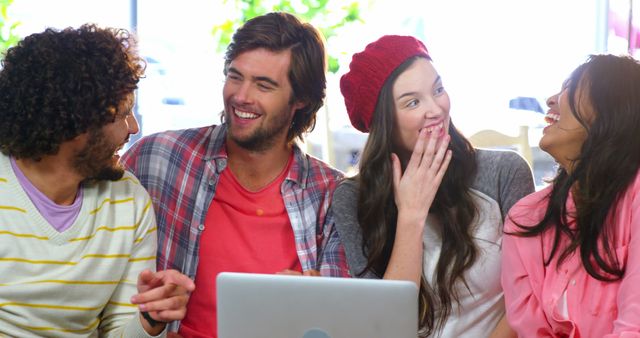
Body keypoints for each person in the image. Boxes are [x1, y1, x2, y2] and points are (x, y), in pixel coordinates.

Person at [121, 12, 349, 337]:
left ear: (301, 100)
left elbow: (339, 322)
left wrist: (313, 303)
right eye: (235, 76)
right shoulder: (157, 157)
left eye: (263, 85)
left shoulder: (331, 195)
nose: (241, 96)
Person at [0, 24, 195, 337]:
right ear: (78, 123)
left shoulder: (129, 199)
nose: (133, 128)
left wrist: (149, 321)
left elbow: (118, 331)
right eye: (124, 114)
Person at [335, 35, 535, 337]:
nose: (436, 109)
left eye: (438, 89)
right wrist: (411, 216)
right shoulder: (352, 199)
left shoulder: (503, 172)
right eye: (412, 101)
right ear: (384, 122)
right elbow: (383, 325)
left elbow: (529, 296)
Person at [501, 54, 640, 337]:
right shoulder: (525, 219)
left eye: (570, 87)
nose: (552, 99)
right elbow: (530, 331)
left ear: (612, 107)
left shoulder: (635, 193)